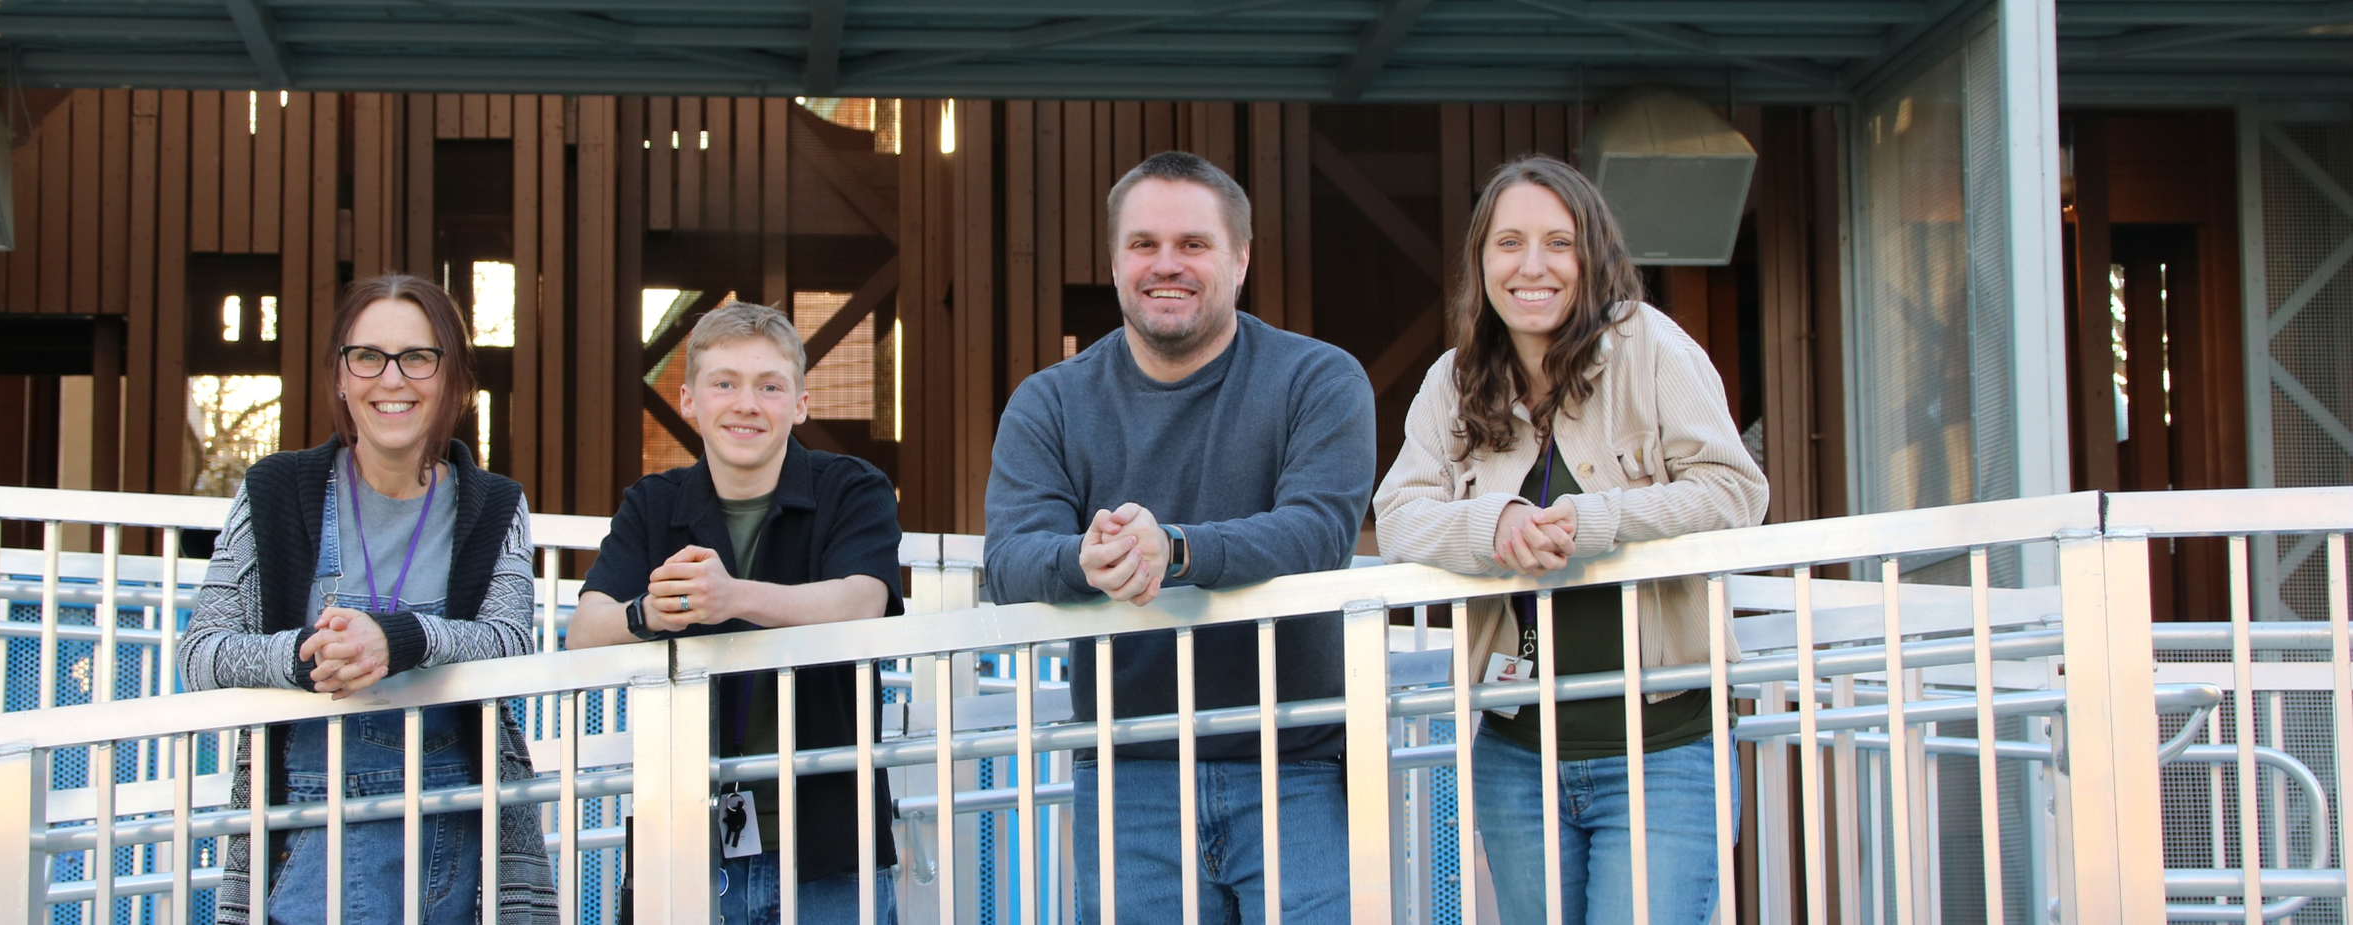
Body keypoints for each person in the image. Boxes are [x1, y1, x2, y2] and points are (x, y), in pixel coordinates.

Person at [982, 150, 1376, 924]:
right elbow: (1009, 558)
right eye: (1144, 245)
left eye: (1194, 244)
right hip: (1131, 775)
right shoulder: (1049, 403)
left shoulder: (1318, 379)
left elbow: (1319, 532)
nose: (1168, 265)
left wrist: (1177, 549)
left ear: (1240, 258)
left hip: (1297, 765)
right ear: (1115, 259)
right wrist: (1083, 561)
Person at [1373, 156, 1769, 924]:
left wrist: (1595, 522)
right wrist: (1495, 522)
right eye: (1508, 242)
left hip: (1665, 746)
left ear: (1594, 256)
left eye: (1559, 243)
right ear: (1481, 262)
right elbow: (1399, 516)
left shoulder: (1649, 345)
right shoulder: (1454, 382)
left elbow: (1733, 489)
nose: (1532, 266)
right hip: (1517, 755)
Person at [177, 274, 554, 925]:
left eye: (418, 356)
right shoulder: (272, 491)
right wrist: (304, 655)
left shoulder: (496, 504)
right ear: (341, 376)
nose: (392, 379)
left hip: (455, 826)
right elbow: (202, 652)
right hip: (305, 823)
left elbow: (510, 643)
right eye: (368, 356)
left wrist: (401, 639)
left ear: (452, 377)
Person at [566, 300, 904, 924]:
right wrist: (650, 614)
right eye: (724, 383)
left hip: (829, 836)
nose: (746, 403)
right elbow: (585, 632)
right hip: (684, 837)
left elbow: (863, 601)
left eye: (769, 386)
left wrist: (732, 597)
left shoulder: (853, 486)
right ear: (689, 400)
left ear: (800, 404)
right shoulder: (650, 503)